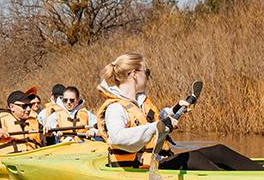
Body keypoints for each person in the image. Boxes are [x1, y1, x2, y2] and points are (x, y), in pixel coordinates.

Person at [96, 53, 261, 170]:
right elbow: (117, 138)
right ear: (133, 74)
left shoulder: (139, 102)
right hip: (138, 167)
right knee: (194, 158)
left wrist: (175, 109)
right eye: (146, 72)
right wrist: (158, 126)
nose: (148, 77)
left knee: (218, 150)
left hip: (156, 160)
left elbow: (153, 121)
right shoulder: (115, 108)